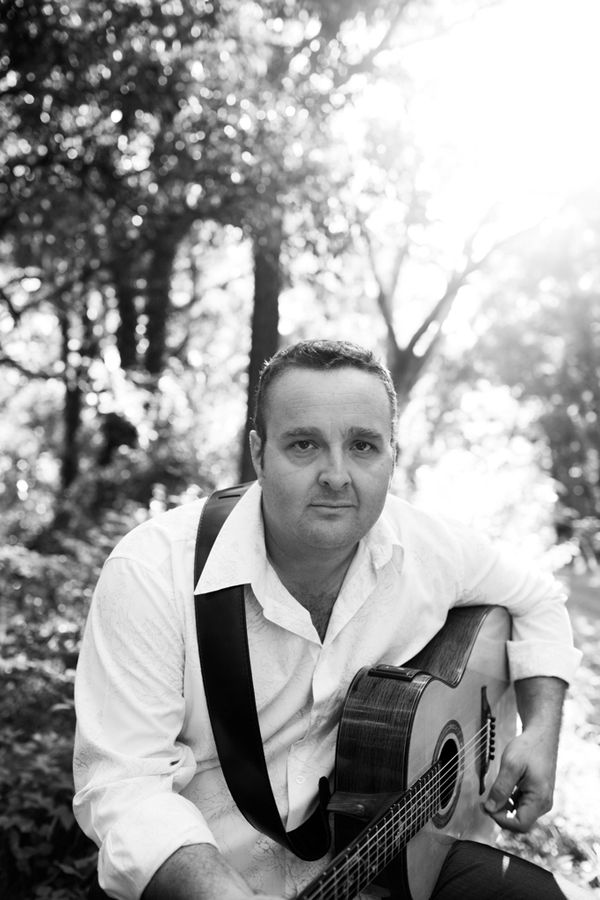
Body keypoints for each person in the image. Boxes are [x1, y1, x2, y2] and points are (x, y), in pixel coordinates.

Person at [73, 339, 585, 900]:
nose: (337, 475)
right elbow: (126, 789)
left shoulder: (426, 550)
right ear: (258, 453)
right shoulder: (152, 573)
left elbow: (538, 600)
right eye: (304, 444)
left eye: (363, 446)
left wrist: (540, 733)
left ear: (393, 456)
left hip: (389, 860)